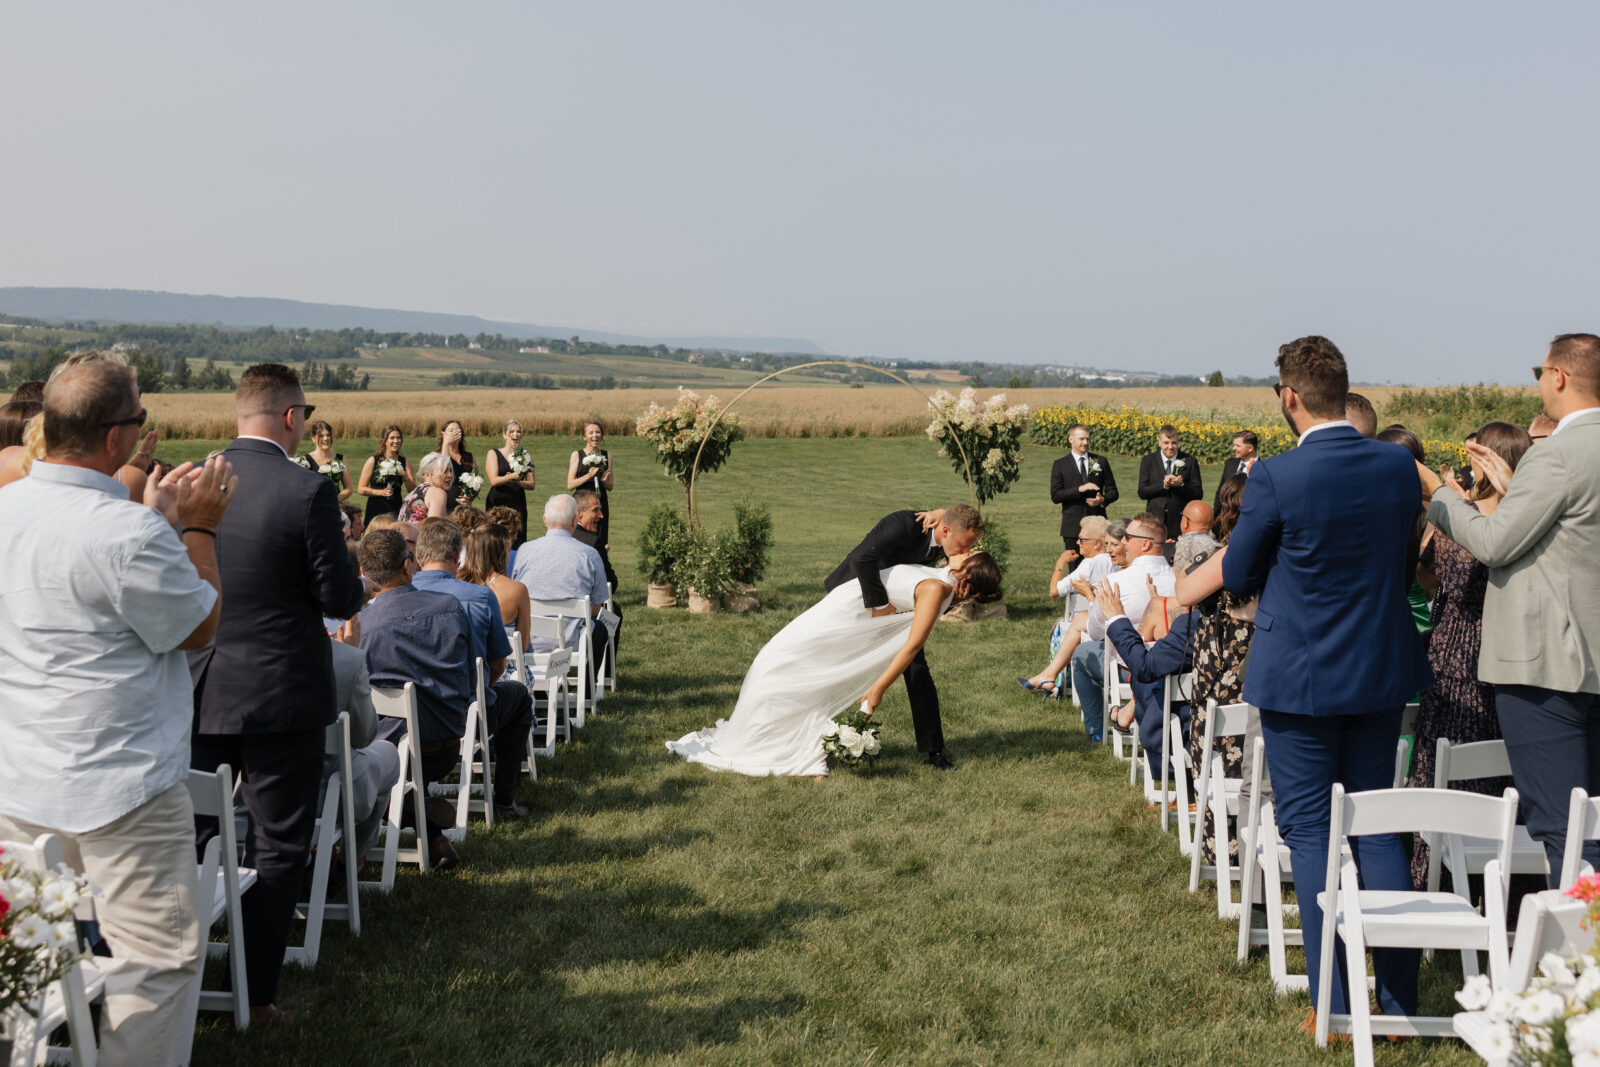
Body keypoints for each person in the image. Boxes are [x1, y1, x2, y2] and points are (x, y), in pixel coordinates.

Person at [0, 359, 233, 1064]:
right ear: (114, 440)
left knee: (28, 956)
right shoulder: (127, 534)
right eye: (138, 419)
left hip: (19, 777)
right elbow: (199, 625)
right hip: (122, 785)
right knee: (156, 957)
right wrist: (198, 530)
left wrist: (157, 520)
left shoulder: (8, 506)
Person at [1223, 335, 1429, 1034]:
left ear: (1288, 397)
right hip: (1379, 666)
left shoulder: (1276, 476)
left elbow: (1240, 572)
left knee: (1311, 833)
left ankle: (1334, 1000)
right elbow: (1403, 563)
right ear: (1343, 388)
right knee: (1376, 828)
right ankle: (1399, 997)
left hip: (1301, 677)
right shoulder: (1399, 467)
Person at [188, 363, 365, 1026]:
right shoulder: (306, 490)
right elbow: (339, 597)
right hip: (280, 688)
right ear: (292, 417)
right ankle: (253, 995)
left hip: (201, 681)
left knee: (198, 829)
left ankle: (180, 976)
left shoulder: (193, 479)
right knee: (277, 840)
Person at [1427, 332, 1600, 883]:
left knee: (1562, 830)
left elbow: (1498, 543)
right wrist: (1512, 484)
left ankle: (1580, 961)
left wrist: (1445, 497)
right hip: (1590, 658)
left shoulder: (1559, 454)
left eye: (1539, 371)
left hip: (1545, 662)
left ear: (1559, 376)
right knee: (1591, 819)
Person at [667, 551, 1001, 777]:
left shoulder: (947, 574)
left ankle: (802, 743)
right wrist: (877, 689)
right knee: (781, 661)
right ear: (974, 588)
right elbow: (913, 645)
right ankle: (765, 738)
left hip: (857, 612)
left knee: (802, 671)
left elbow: (959, 539)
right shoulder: (938, 590)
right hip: (848, 614)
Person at [1404, 420, 1530, 887]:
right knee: (1500, 775)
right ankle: (1499, 887)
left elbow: (1436, 581)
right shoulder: (1527, 517)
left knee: (1444, 770)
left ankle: (1431, 880)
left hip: (1457, 650)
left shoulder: (1465, 517)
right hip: (1508, 651)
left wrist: (1445, 511)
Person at [822, 505, 984, 769]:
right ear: (945, 530)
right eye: (964, 546)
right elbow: (863, 558)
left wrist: (940, 510)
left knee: (918, 671)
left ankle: (935, 752)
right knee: (832, 666)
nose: (965, 553)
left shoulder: (944, 533)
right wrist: (879, 605)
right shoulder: (905, 524)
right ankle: (815, 737)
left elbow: (959, 514)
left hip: (895, 609)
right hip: (855, 598)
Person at [356, 529, 472, 871]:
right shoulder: (450, 608)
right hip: (445, 744)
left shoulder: (361, 626)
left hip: (386, 748)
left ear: (365, 574)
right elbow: (472, 669)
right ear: (409, 565)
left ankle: (414, 817)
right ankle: (432, 831)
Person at [410, 521, 534, 820]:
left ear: (418, 557)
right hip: (465, 711)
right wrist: (481, 689)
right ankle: (503, 799)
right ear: (456, 556)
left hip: (408, 719)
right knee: (518, 697)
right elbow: (497, 664)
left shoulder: (396, 597)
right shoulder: (479, 597)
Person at [1101, 533, 1218, 780]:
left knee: (1148, 683)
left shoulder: (1195, 624)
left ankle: (1168, 770)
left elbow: (1144, 667)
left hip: (1200, 736)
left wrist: (1116, 617)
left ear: (1188, 571)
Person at [1070, 513, 1176, 744]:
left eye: (1128, 537)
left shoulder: (1116, 582)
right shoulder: (1180, 579)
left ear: (1145, 544)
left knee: (1080, 654)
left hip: (1128, 669)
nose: (1124, 542)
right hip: (1175, 671)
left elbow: (1097, 632)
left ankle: (1097, 730)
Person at [511, 494, 612, 684]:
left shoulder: (524, 550)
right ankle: (587, 688)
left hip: (529, 639)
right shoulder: (589, 555)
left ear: (544, 519)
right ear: (575, 520)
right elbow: (597, 608)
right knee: (601, 627)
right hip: (572, 642)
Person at [326, 631, 401, 861]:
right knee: (388, 752)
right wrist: (348, 651)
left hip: (249, 798)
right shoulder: (344, 658)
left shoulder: (240, 653)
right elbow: (365, 735)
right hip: (329, 799)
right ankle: (350, 861)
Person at [1020, 516, 1112, 696]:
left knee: (1068, 622)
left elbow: (1054, 591)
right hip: (1107, 618)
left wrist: (1060, 564)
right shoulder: (1115, 562)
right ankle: (1049, 675)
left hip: (1095, 622)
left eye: (1083, 540)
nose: (1077, 542)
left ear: (1098, 544)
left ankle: (1051, 676)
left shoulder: (1090, 564)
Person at [461, 521, 532, 661]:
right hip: (503, 672)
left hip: (465, 672)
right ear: (501, 553)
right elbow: (522, 647)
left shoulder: (455, 582)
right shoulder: (517, 590)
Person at [1049, 423, 1118, 551]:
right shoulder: (1060, 464)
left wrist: (1102, 500)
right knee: (1075, 568)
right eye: (1081, 439)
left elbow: (1113, 491)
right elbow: (1056, 495)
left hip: (1098, 524)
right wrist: (1079, 489)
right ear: (1071, 439)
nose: (1085, 442)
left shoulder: (1100, 461)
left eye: (1087, 439)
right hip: (1072, 527)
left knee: (1100, 566)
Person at [1137, 425, 1202, 541]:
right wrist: (1163, 485)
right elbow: (1142, 492)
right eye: (1166, 443)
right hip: (1155, 520)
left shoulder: (1190, 461)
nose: (1170, 447)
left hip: (1180, 521)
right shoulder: (1148, 460)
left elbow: (1198, 494)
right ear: (1159, 442)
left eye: (1174, 443)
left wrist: (1181, 485)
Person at [484, 419, 535, 547]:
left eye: (519, 432)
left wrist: (518, 483)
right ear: (505, 435)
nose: (516, 434)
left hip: (517, 501)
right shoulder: (494, 453)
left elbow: (531, 484)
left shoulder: (526, 455)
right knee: (496, 538)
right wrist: (510, 477)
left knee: (517, 538)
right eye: (512, 431)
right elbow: (494, 480)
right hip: (497, 501)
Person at [565, 420, 613, 549]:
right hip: (582, 502)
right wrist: (588, 476)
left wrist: (603, 480)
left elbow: (610, 486)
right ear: (584, 437)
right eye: (591, 433)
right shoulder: (577, 455)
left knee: (600, 536)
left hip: (600, 502)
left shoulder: (607, 455)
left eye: (598, 432)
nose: (595, 435)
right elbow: (570, 484)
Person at [358, 424, 414, 524]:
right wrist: (381, 493)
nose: (396, 441)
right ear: (384, 440)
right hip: (376, 509)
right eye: (392, 438)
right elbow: (361, 489)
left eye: (398, 438)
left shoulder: (405, 462)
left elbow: (412, 490)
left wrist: (405, 477)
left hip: (395, 508)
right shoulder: (373, 461)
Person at [299, 419, 353, 502]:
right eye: (321, 436)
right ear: (313, 438)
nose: (326, 438)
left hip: (335, 507)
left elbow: (349, 488)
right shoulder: (305, 461)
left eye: (328, 435)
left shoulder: (341, 459)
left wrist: (335, 500)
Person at [400, 451, 454, 522]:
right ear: (427, 475)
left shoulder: (413, 493)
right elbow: (434, 529)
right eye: (444, 471)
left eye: (450, 471)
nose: (450, 475)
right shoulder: (437, 492)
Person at [437, 419, 476, 507]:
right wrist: (446, 443)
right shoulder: (436, 456)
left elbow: (476, 483)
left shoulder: (469, 457)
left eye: (458, 430)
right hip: (444, 503)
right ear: (443, 434)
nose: (455, 433)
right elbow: (442, 471)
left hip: (463, 507)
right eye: (451, 431)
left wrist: (470, 498)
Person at [1215, 431, 1258, 510]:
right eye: (1234, 445)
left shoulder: (1262, 468)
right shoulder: (1230, 463)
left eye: (1238, 446)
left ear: (1250, 448)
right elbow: (1220, 493)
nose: (1234, 448)